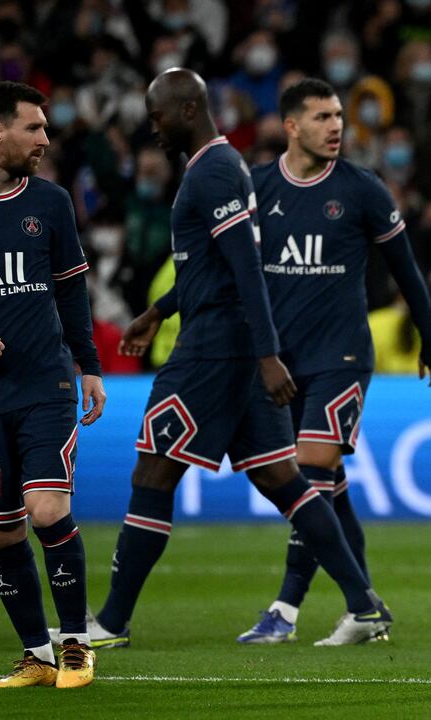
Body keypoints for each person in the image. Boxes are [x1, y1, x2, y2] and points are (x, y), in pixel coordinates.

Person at [71, 68, 389, 649]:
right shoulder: (220, 167)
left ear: (188, 110)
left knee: (152, 472)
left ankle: (112, 622)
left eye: (158, 114)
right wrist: (161, 310)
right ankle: (363, 604)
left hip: (213, 351)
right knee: (283, 479)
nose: (154, 126)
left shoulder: (215, 170)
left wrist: (268, 355)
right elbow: (211, 266)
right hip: (231, 345)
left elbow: (246, 266)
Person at [235, 78, 431, 645]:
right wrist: (161, 311)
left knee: (307, 472)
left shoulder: (362, 189)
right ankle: (366, 607)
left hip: (343, 356)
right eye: (323, 117)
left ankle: (285, 610)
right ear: (291, 126)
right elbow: (227, 270)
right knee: (327, 490)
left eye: (338, 116)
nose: (336, 126)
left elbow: (406, 269)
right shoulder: (256, 189)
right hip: (281, 364)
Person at [0, 81, 105, 688]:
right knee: (2, 529)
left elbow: (71, 287)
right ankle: (35, 656)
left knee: (46, 508)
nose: (46, 138)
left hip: (45, 384)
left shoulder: (51, 201)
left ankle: (74, 645)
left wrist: (89, 364)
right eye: (34, 128)